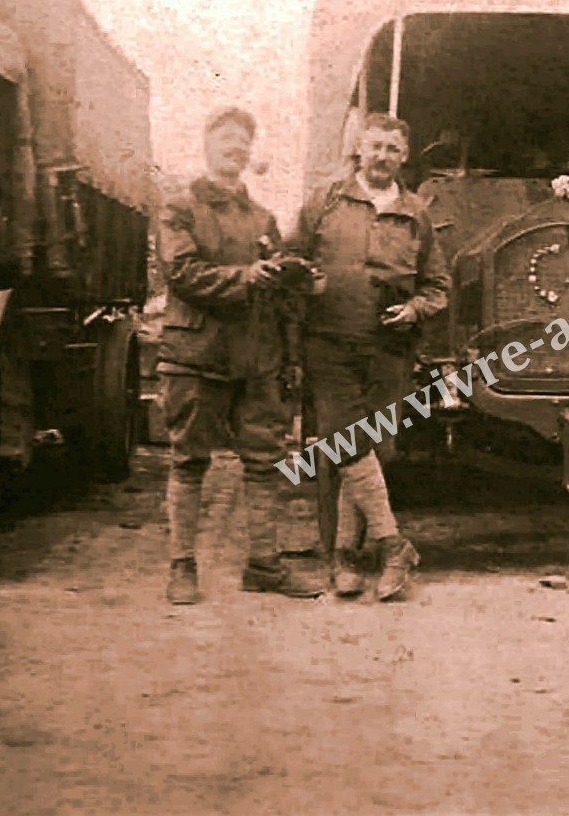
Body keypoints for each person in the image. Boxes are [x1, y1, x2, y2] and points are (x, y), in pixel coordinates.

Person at [156, 107, 322, 605]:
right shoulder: (178, 208)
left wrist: (293, 279)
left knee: (265, 463)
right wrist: (248, 276)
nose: (237, 148)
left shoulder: (263, 219)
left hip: (256, 359)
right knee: (189, 461)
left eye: (244, 142)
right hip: (195, 354)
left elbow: (279, 295)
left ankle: (264, 565)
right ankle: (182, 566)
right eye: (227, 139)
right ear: (207, 146)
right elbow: (181, 272)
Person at [288, 113, 449, 600]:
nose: (382, 157)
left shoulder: (415, 212)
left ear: (404, 157)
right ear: (358, 150)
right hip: (330, 342)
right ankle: (391, 542)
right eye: (374, 147)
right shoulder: (326, 200)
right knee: (345, 441)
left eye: (393, 150)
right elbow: (289, 259)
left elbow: (438, 284)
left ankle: (347, 560)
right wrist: (304, 279)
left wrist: (415, 308)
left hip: (389, 349)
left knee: (371, 449)